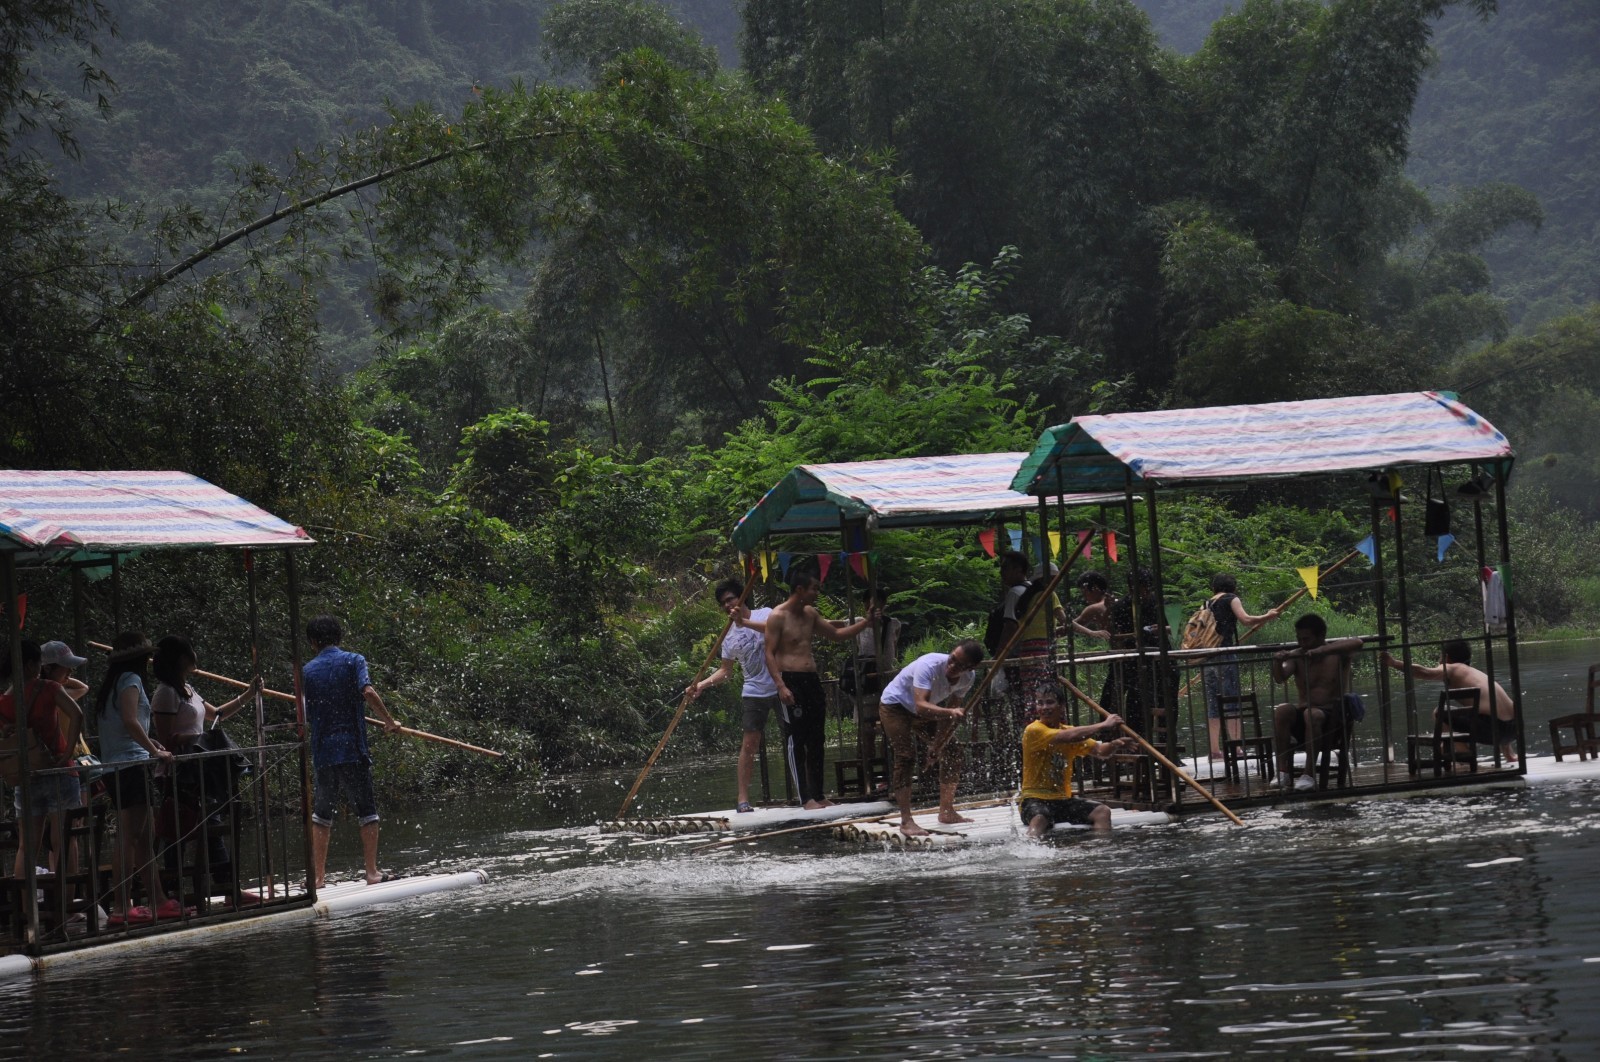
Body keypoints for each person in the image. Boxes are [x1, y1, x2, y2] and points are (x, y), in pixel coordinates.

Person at [763, 572, 876, 809]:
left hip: (811, 680)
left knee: (818, 738)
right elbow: (769, 653)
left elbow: (835, 635)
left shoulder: (811, 614)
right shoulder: (777, 616)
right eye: (814, 588)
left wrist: (865, 622)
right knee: (797, 738)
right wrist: (780, 686)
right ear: (800, 589)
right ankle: (805, 798)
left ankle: (819, 793)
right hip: (789, 679)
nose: (817, 593)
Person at [303, 615, 400, 888]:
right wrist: (389, 722)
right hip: (351, 748)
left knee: (322, 814)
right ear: (339, 637)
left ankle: (318, 877)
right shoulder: (354, 660)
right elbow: (367, 692)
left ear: (312, 642)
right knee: (366, 810)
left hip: (322, 752)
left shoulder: (307, 670)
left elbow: (305, 712)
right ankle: (371, 872)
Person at [150, 635, 257, 885]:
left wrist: (249, 694)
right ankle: (176, 893)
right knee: (177, 833)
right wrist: (200, 738)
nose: (194, 656)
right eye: (190, 651)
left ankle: (227, 888)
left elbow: (217, 714)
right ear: (180, 658)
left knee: (213, 829)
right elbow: (166, 739)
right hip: (178, 774)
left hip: (201, 770)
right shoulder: (165, 693)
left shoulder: (188, 689)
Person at [94, 631, 177, 923]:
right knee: (129, 837)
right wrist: (154, 750)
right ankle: (121, 906)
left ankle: (158, 899)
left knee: (142, 837)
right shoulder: (131, 679)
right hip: (130, 765)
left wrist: (152, 746)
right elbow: (130, 721)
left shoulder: (113, 682)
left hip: (119, 765)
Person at [878, 639, 984, 837]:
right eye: (952, 659)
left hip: (928, 711)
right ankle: (906, 820)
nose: (952, 667)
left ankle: (946, 811)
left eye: (960, 666)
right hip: (896, 706)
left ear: (970, 668)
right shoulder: (929, 664)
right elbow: (921, 705)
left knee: (952, 750)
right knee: (905, 756)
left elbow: (948, 714)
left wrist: (937, 744)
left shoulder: (968, 678)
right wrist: (951, 712)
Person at [688, 580, 777, 813]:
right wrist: (701, 685)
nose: (727, 605)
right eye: (723, 603)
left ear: (742, 597)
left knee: (793, 739)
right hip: (753, 691)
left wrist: (743, 621)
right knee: (749, 744)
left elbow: (776, 630)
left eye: (731, 599)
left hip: (780, 686)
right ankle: (742, 799)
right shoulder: (728, 636)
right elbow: (725, 672)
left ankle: (805, 794)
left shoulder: (765, 614)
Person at [1, 640, 86, 879]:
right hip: (59, 771)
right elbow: (76, 714)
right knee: (64, 842)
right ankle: (66, 907)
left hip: (26, 775)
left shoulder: (4, 700)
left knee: (26, 848)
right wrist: (68, 753)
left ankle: (28, 910)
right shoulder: (48, 688)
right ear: (30, 665)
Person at [1018, 684, 1133, 838]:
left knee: (1102, 811)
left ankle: (1102, 849)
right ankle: (1029, 850)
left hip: (1062, 800)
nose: (1044, 707)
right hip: (1034, 799)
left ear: (1062, 706)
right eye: (1040, 703)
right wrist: (1103, 725)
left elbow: (1100, 751)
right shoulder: (1033, 730)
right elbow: (1068, 737)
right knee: (1040, 818)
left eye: (1050, 702)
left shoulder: (1070, 730)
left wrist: (1115, 744)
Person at [1381, 640, 1517, 763]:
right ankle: (1509, 754)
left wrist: (1394, 663)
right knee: (1488, 709)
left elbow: (1425, 672)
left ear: (1446, 658)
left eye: (1440, 657)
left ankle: (1465, 756)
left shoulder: (1452, 668)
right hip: (1513, 730)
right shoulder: (1477, 674)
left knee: (1439, 712)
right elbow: (1498, 711)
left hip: (1492, 728)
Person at [1271, 615, 1364, 792]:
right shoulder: (1298, 656)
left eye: (1306, 639)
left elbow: (1358, 642)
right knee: (1281, 710)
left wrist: (1322, 651)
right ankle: (1283, 772)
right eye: (1299, 639)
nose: (1302, 643)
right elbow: (1280, 678)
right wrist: (1277, 661)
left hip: (1331, 719)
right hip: (1304, 716)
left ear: (1321, 636)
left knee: (1312, 714)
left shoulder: (1337, 654)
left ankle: (1309, 774)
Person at [1199, 574, 1281, 760]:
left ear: (1214, 587)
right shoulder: (1231, 598)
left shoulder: (1206, 603)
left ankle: (1214, 750)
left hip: (1208, 658)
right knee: (1231, 701)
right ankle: (1236, 748)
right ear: (1232, 587)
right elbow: (1245, 620)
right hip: (1226, 656)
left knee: (1214, 703)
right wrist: (1267, 616)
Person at [1104, 567, 1176, 738]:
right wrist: (1108, 610)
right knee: (1135, 708)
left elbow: (1175, 627)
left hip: (1160, 659)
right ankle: (1137, 747)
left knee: (1167, 704)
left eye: (1143, 587)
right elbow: (1113, 634)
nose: (1139, 592)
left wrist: (1162, 629)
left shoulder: (1160, 602)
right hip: (1134, 663)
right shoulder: (1122, 605)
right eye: (1134, 587)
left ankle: (1168, 747)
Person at [997, 553, 1068, 715]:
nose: (1002, 573)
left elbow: (1010, 626)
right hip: (1044, 650)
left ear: (1018, 569)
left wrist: (999, 655)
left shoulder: (1016, 593)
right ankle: (1049, 721)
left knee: (1028, 693)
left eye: (1005, 568)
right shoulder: (1035, 592)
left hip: (1022, 652)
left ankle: (1032, 725)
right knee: (1045, 689)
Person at [1071, 571, 1115, 643]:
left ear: (1095, 588)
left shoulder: (1094, 609)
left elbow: (1070, 627)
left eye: (1084, 593)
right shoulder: (1115, 602)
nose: (1084, 597)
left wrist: (1050, 632)